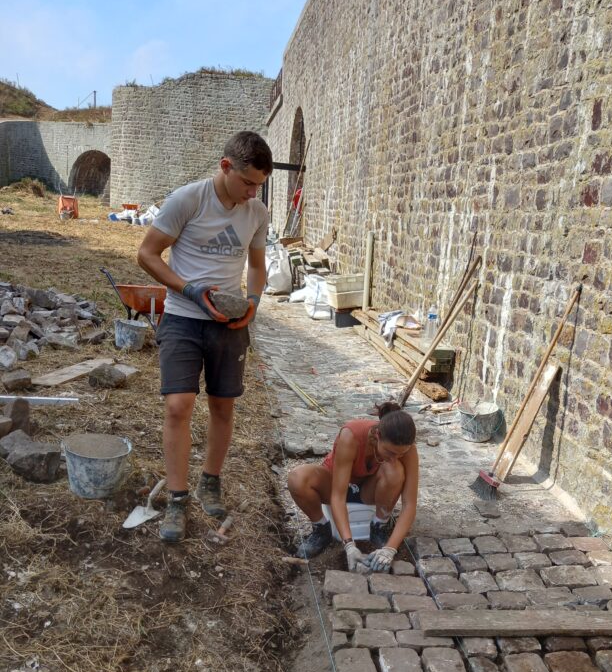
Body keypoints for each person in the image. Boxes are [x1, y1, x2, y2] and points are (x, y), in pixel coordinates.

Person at [137, 130, 272, 543]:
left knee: (223, 407)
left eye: (259, 186)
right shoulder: (188, 200)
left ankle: (209, 481)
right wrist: (189, 289)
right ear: (225, 166)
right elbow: (146, 254)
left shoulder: (256, 212)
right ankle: (177, 500)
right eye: (247, 182)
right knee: (178, 406)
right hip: (182, 316)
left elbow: (257, 265)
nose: (252, 193)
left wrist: (251, 301)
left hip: (228, 324)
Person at [287, 403, 419, 572]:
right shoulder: (352, 435)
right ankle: (321, 529)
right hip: (335, 484)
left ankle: (378, 526)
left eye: (401, 454)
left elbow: (410, 504)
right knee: (298, 478)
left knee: (395, 471)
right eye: (390, 452)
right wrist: (349, 545)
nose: (396, 457)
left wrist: (390, 549)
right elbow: (337, 496)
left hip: (369, 490)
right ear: (377, 435)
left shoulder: (408, 449)